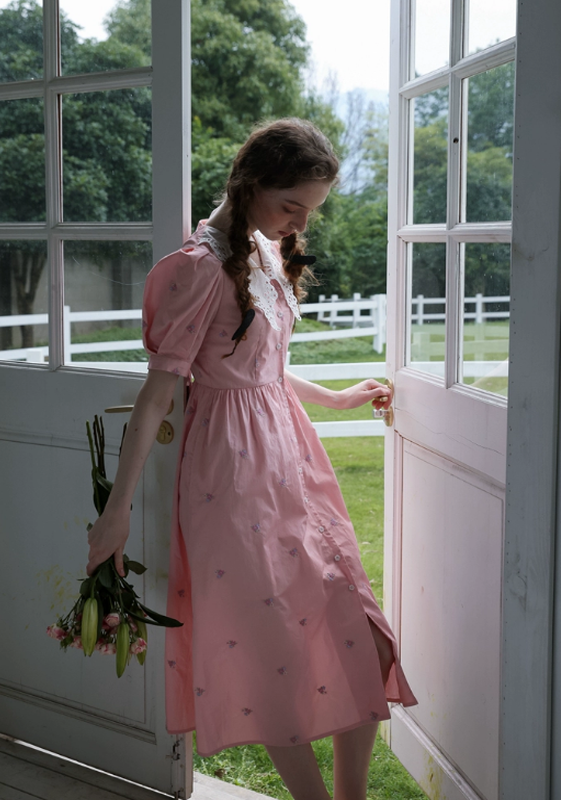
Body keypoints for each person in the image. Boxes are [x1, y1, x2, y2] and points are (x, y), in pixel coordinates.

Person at [86, 118, 418, 800]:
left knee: (363, 630)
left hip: (291, 454)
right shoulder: (200, 268)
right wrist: (114, 515)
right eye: (290, 203)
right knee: (273, 650)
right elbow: (158, 397)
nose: (298, 220)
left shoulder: (265, 249)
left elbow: (260, 366)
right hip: (232, 475)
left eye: (310, 209)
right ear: (250, 182)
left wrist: (333, 397)